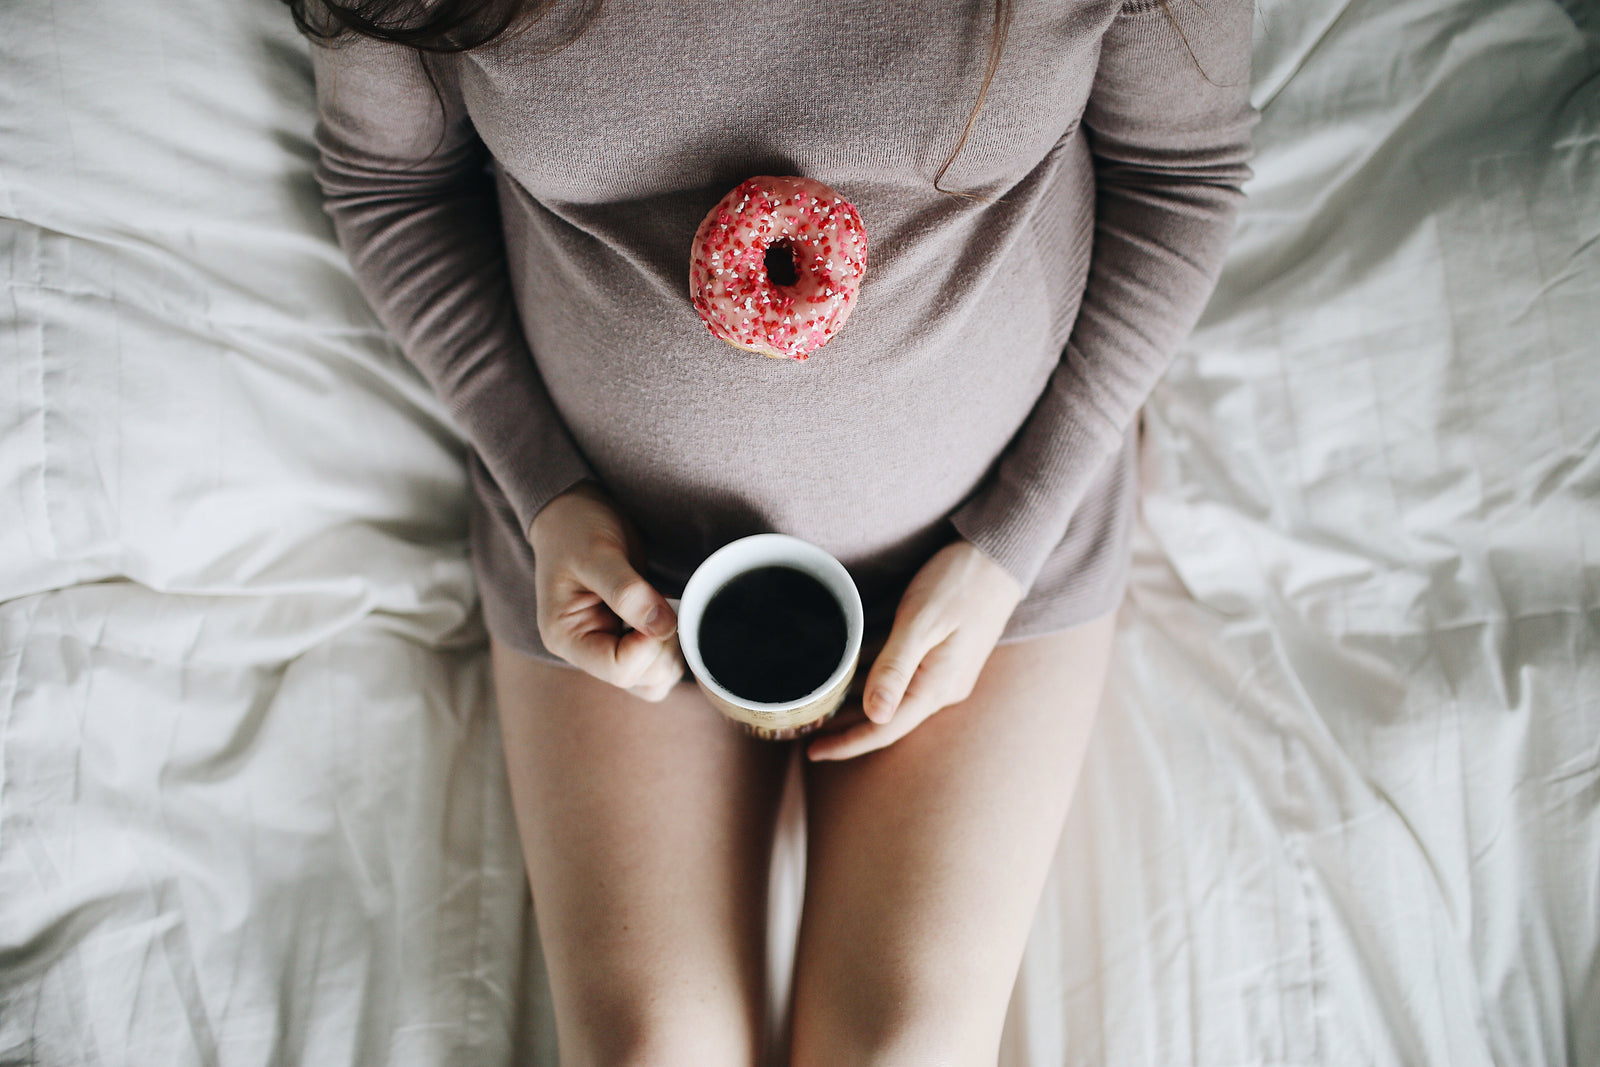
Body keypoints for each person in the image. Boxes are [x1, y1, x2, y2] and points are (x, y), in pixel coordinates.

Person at [299, 0, 1253, 1060]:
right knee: (647, 1048)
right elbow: (387, 182)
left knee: (904, 1045)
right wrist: (545, 492)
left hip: (987, 549)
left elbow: (1183, 171)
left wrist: (1009, 543)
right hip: (615, 568)